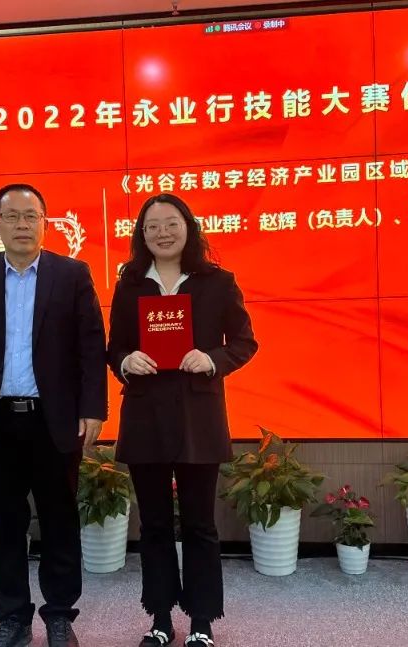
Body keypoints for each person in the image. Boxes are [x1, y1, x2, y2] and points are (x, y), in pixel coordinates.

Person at [0, 183, 107, 647]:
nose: (21, 225)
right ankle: (12, 618)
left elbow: (91, 347)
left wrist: (93, 408)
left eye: (30, 216)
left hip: (54, 421)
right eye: (11, 216)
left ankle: (60, 616)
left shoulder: (72, 274)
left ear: (44, 223)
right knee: (4, 524)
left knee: (59, 521)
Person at [107, 193, 258, 647]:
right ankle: (159, 618)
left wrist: (212, 359)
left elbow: (244, 343)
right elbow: (114, 348)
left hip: (199, 417)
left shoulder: (217, 281)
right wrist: (126, 361)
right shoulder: (130, 284)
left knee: (199, 525)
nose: (163, 233)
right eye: (152, 226)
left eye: (171, 223)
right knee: (153, 525)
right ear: (141, 235)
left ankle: (201, 621)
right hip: (146, 416)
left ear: (188, 227)